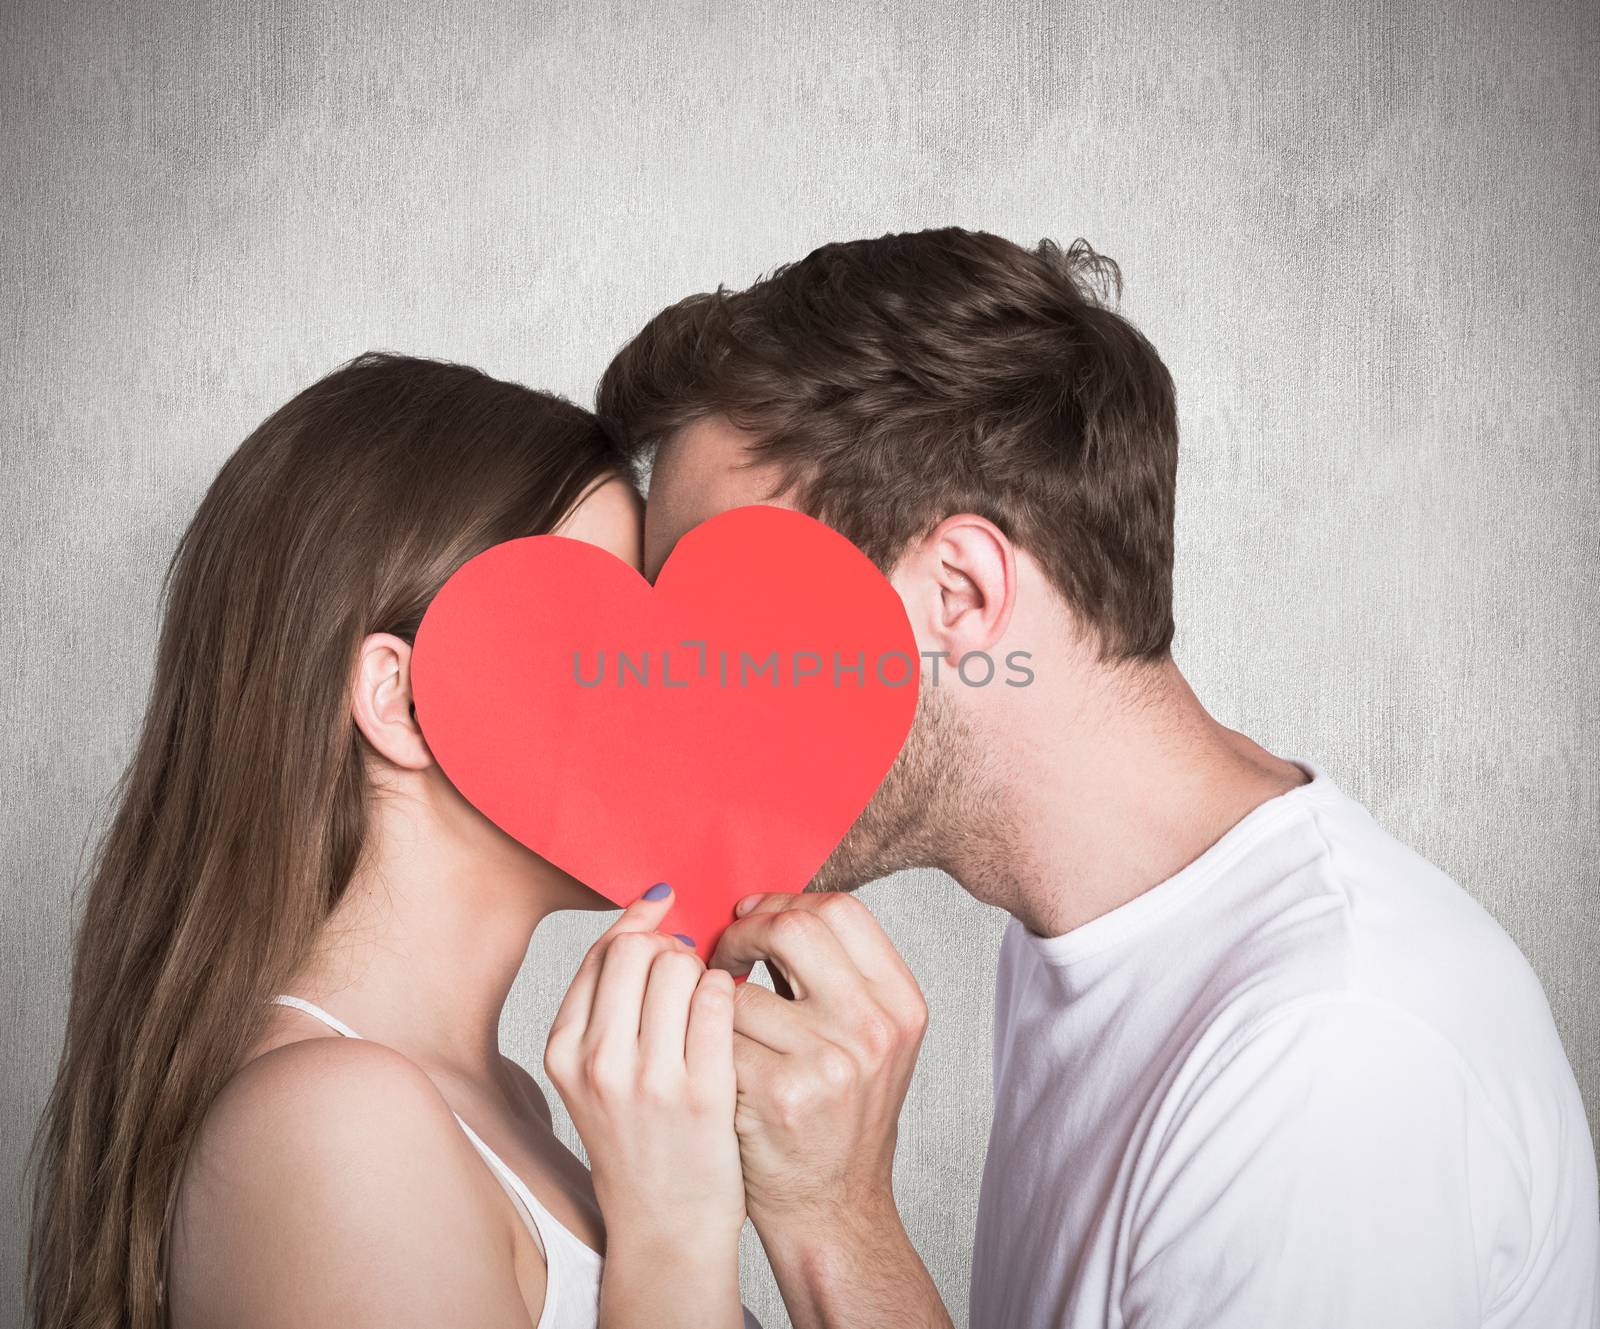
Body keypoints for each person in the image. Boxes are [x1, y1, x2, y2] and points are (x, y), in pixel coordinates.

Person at [597, 229, 1600, 1328]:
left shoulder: (1331, 1053)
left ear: (962, 596)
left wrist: (837, 1222)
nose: (680, 699)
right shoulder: (1088, 931)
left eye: (729, 612)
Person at [28, 354, 757, 1329]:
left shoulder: (504, 1105)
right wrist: (676, 1234)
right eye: (606, 639)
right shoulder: (337, 1124)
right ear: (403, 700)